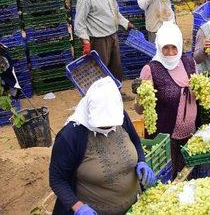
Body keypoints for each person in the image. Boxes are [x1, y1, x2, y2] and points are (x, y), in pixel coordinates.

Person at [49, 77, 155, 215]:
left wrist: (141, 161)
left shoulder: (120, 117)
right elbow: (56, 179)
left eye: (111, 124)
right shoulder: (70, 136)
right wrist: (77, 206)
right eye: (102, 124)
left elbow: (135, 140)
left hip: (133, 207)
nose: (108, 127)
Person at [135, 23, 200, 178]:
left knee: (188, 176)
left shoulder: (189, 63)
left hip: (191, 133)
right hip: (165, 139)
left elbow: (198, 96)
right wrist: (139, 95)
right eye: (166, 48)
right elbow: (139, 110)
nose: (170, 53)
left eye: (174, 48)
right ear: (159, 46)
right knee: (169, 178)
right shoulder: (151, 69)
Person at [74, 0, 134, 85]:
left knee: (115, 68)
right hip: (98, 40)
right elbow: (79, 23)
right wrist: (85, 41)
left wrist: (125, 23)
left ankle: (116, 94)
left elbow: (115, 11)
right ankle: (100, 100)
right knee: (100, 72)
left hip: (113, 36)